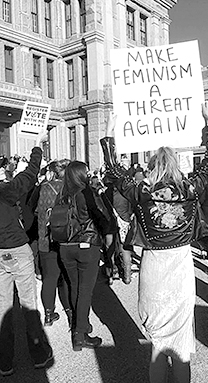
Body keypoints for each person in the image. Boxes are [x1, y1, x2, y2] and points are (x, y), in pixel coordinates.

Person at [100, 102, 208, 383]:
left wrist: (109, 132)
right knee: (180, 346)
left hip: (153, 263)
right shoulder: (190, 188)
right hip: (180, 265)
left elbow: (115, 171)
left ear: (151, 167)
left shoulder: (141, 191)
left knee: (158, 345)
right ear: (177, 165)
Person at [0, 131, 53, 377]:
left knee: (2, 309)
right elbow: (30, 175)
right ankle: (39, 354)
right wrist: (37, 148)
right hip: (17, 249)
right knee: (28, 305)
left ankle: (5, 361)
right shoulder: (6, 191)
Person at [58, 161, 111, 351]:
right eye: (86, 172)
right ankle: (80, 334)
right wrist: (108, 232)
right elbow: (98, 215)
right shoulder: (85, 192)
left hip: (65, 246)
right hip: (86, 245)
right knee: (86, 289)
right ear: (80, 174)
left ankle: (80, 324)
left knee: (75, 286)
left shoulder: (62, 194)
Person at [36, 159, 72, 326]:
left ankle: (49, 315)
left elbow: (37, 211)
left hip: (46, 238)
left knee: (49, 279)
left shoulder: (44, 188)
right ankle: (71, 314)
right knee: (68, 278)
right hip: (67, 238)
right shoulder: (71, 189)